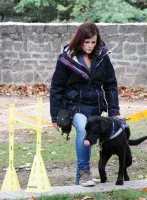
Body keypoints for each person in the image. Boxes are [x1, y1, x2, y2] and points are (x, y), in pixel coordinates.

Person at [50, 21, 121, 187]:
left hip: (96, 106)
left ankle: (81, 178)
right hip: (74, 106)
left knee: (90, 137)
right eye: (86, 42)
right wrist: (54, 115)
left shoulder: (103, 57)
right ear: (79, 40)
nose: (90, 46)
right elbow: (56, 87)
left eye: (93, 42)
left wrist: (114, 111)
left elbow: (111, 85)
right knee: (83, 129)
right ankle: (84, 171)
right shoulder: (66, 58)